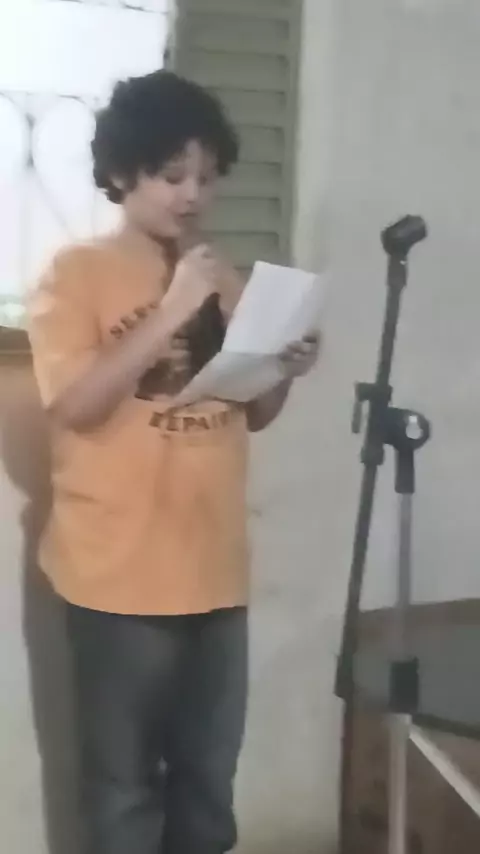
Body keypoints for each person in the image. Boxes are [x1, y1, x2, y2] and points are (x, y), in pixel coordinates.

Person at [28, 70, 320, 854]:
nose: (192, 195)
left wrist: (284, 367)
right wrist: (171, 311)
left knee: (207, 786)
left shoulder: (223, 276)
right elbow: (76, 405)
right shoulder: (74, 272)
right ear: (123, 174)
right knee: (123, 791)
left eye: (207, 177)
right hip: (116, 576)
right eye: (171, 175)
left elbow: (254, 412)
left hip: (215, 570)